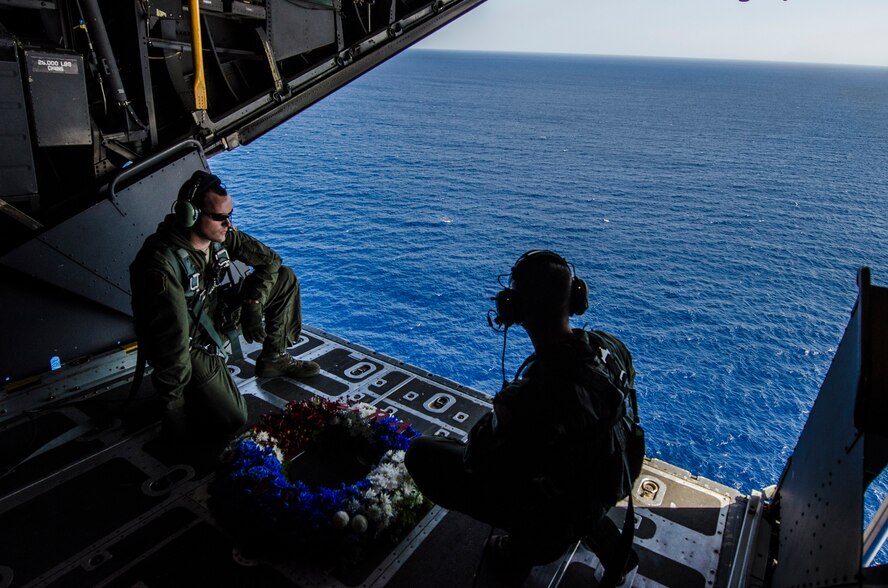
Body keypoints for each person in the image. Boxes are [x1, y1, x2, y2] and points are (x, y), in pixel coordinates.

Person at [405, 250, 639, 582]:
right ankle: (612, 549)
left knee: (423, 455)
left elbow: (478, 459)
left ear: (513, 308)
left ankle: (523, 548)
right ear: (575, 298)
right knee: (570, 465)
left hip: (558, 514)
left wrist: (502, 415)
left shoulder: (527, 397)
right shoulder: (612, 347)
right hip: (612, 476)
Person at [130, 170, 320, 440]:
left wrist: (253, 305)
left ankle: (274, 358)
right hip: (190, 343)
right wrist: (173, 406)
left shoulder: (221, 236)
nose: (228, 224)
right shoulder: (161, 265)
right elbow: (170, 341)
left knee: (285, 277)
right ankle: (187, 395)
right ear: (191, 215)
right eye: (220, 217)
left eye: (230, 216)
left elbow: (271, 261)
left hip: (216, 316)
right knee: (232, 418)